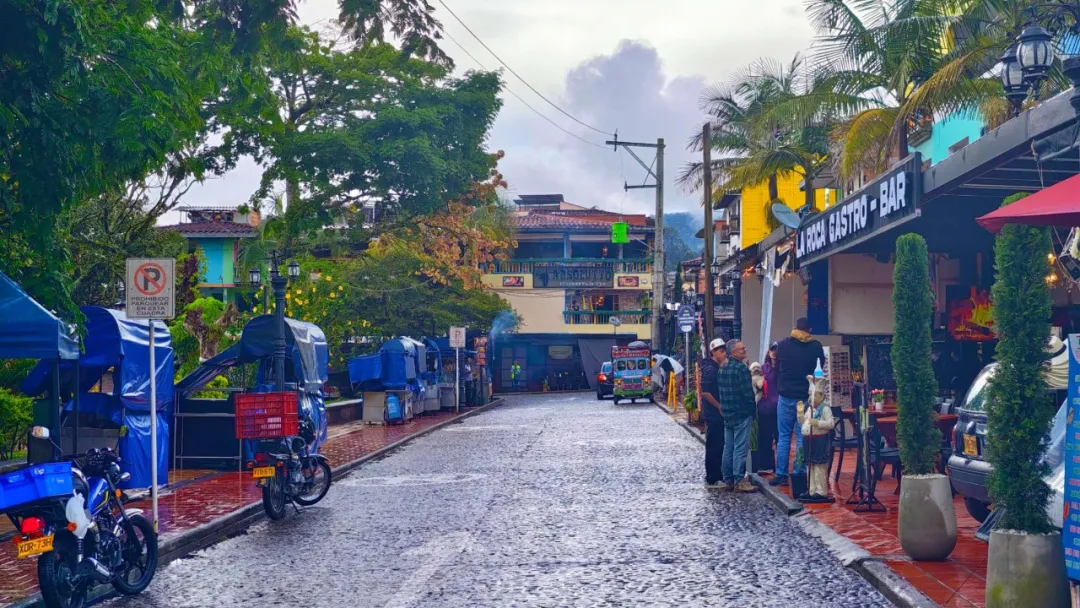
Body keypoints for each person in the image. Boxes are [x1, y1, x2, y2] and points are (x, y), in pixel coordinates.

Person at [771, 318, 826, 487]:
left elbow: (776, 365)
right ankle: (799, 472)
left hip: (786, 396)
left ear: (794, 328)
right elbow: (820, 367)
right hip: (805, 397)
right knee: (802, 436)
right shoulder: (816, 347)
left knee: (784, 437)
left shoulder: (783, 345)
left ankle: (780, 474)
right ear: (809, 329)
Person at [719, 339, 756, 492]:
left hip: (727, 414)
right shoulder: (741, 369)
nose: (745, 350)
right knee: (740, 448)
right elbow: (748, 393)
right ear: (734, 352)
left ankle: (728, 479)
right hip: (741, 413)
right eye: (742, 349)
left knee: (728, 447)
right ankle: (739, 479)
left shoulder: (723, 368)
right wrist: (752, 410)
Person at [699, 339, 727, 487]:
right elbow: (705, 392)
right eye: (720, 351)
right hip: (713, 413)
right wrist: (718, 406)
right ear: (713, 353)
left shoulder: (716, 367)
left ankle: (717, 475)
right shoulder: (710, 369)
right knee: (714, 445)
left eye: (724, 350)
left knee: (718, 444)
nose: (723, 353)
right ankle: (713, 477)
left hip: (715, 412)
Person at [755, 343, 780, 474]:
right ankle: (765, 465)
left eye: (776, 350)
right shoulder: (763, 368)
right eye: (772, 350)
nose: (774, 352)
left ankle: (780, 467)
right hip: (765, 407)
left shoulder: (783, 369)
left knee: (780, 438)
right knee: (764, 437)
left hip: (779, 408)